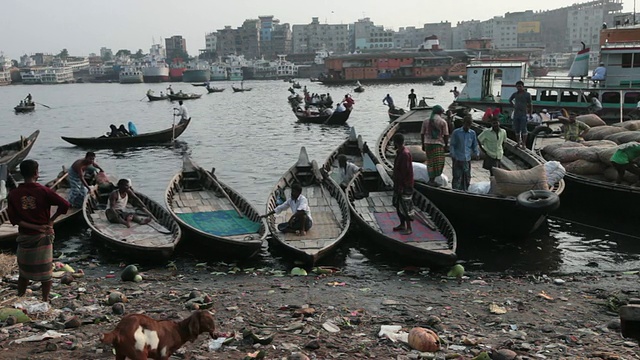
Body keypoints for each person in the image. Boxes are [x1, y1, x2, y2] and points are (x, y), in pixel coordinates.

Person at [7, 160, 70, 303]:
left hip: (25, 236)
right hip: (43, 237)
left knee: (24, 272)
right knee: (46, 272)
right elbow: (65, 205)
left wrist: (36, 227)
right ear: (36, 173)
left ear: (22, 173)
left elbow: (15, 219)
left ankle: (20, 297)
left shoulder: (14, 194)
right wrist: (50, 221)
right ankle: (45, 299)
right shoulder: (43, 191)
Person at [421, 104, 449, 186]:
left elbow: (422, 134)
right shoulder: (443, 122)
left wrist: (422, 144)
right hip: (437, 144)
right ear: (440, 113)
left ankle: (431, 178)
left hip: (427, 144)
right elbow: (446, 135)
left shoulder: (426, 121)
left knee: (430, 161)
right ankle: (432, 180)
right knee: (438, 162)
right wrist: (446, 145)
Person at [449, 115, 480, 191]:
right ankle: (455, 191)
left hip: (467, 158)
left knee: (467, 176)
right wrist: (452, 154)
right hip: (457, 158)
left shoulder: (472, 133)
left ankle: (465, 190)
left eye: (469, 125)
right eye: (467, 124)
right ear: (463, 123)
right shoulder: (456, 132)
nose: (468, 126)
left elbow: (474, 144)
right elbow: (452, 144)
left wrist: (477, 153)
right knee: (457, 176)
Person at [392, 133, 414, 235]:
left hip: (405, 185)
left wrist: (402, 186)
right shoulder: (400, 152)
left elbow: (405, 172)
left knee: (405, 205)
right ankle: (402, 224)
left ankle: (409, 227)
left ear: (396, 142)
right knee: (398, 204)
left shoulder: (404, 154)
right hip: (399, 183)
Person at [509, 80, 533, 148]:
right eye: (517, 87)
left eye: (520, 86)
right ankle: (518, 142)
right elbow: (510, 100)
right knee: (516, 129)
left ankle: (524, 144)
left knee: (524, 129)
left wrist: (530, 114)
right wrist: (514, 106)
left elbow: (530, 104)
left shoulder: (527, 94)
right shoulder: (515, 94)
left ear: (523, 86)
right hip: (516, 114)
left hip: (523, 114)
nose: (518, 88)